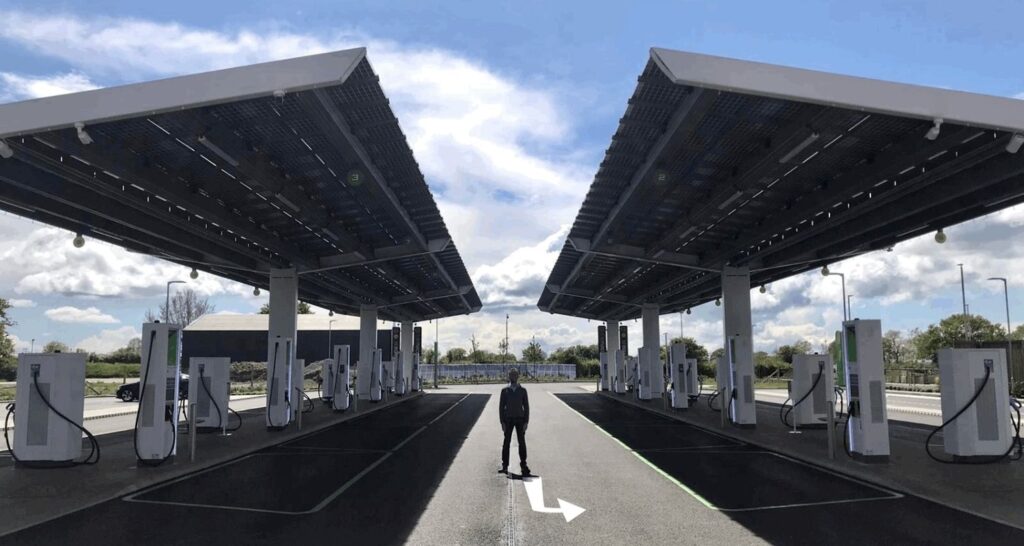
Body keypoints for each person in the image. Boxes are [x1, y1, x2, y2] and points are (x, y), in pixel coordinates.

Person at [499, 368, 530, 476]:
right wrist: (502, 422)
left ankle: (524, 465)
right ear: (509, 377)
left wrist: (526, 422)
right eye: (511, 375)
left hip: (520, 420)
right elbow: (501, 407)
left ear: (518, 377)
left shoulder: (522, 390)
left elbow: (526, 407)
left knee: (521, 442)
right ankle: (504, 465)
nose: (513, 377)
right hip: (508, 420)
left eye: (515, 375)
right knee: (506, 443)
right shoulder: (504, 391)